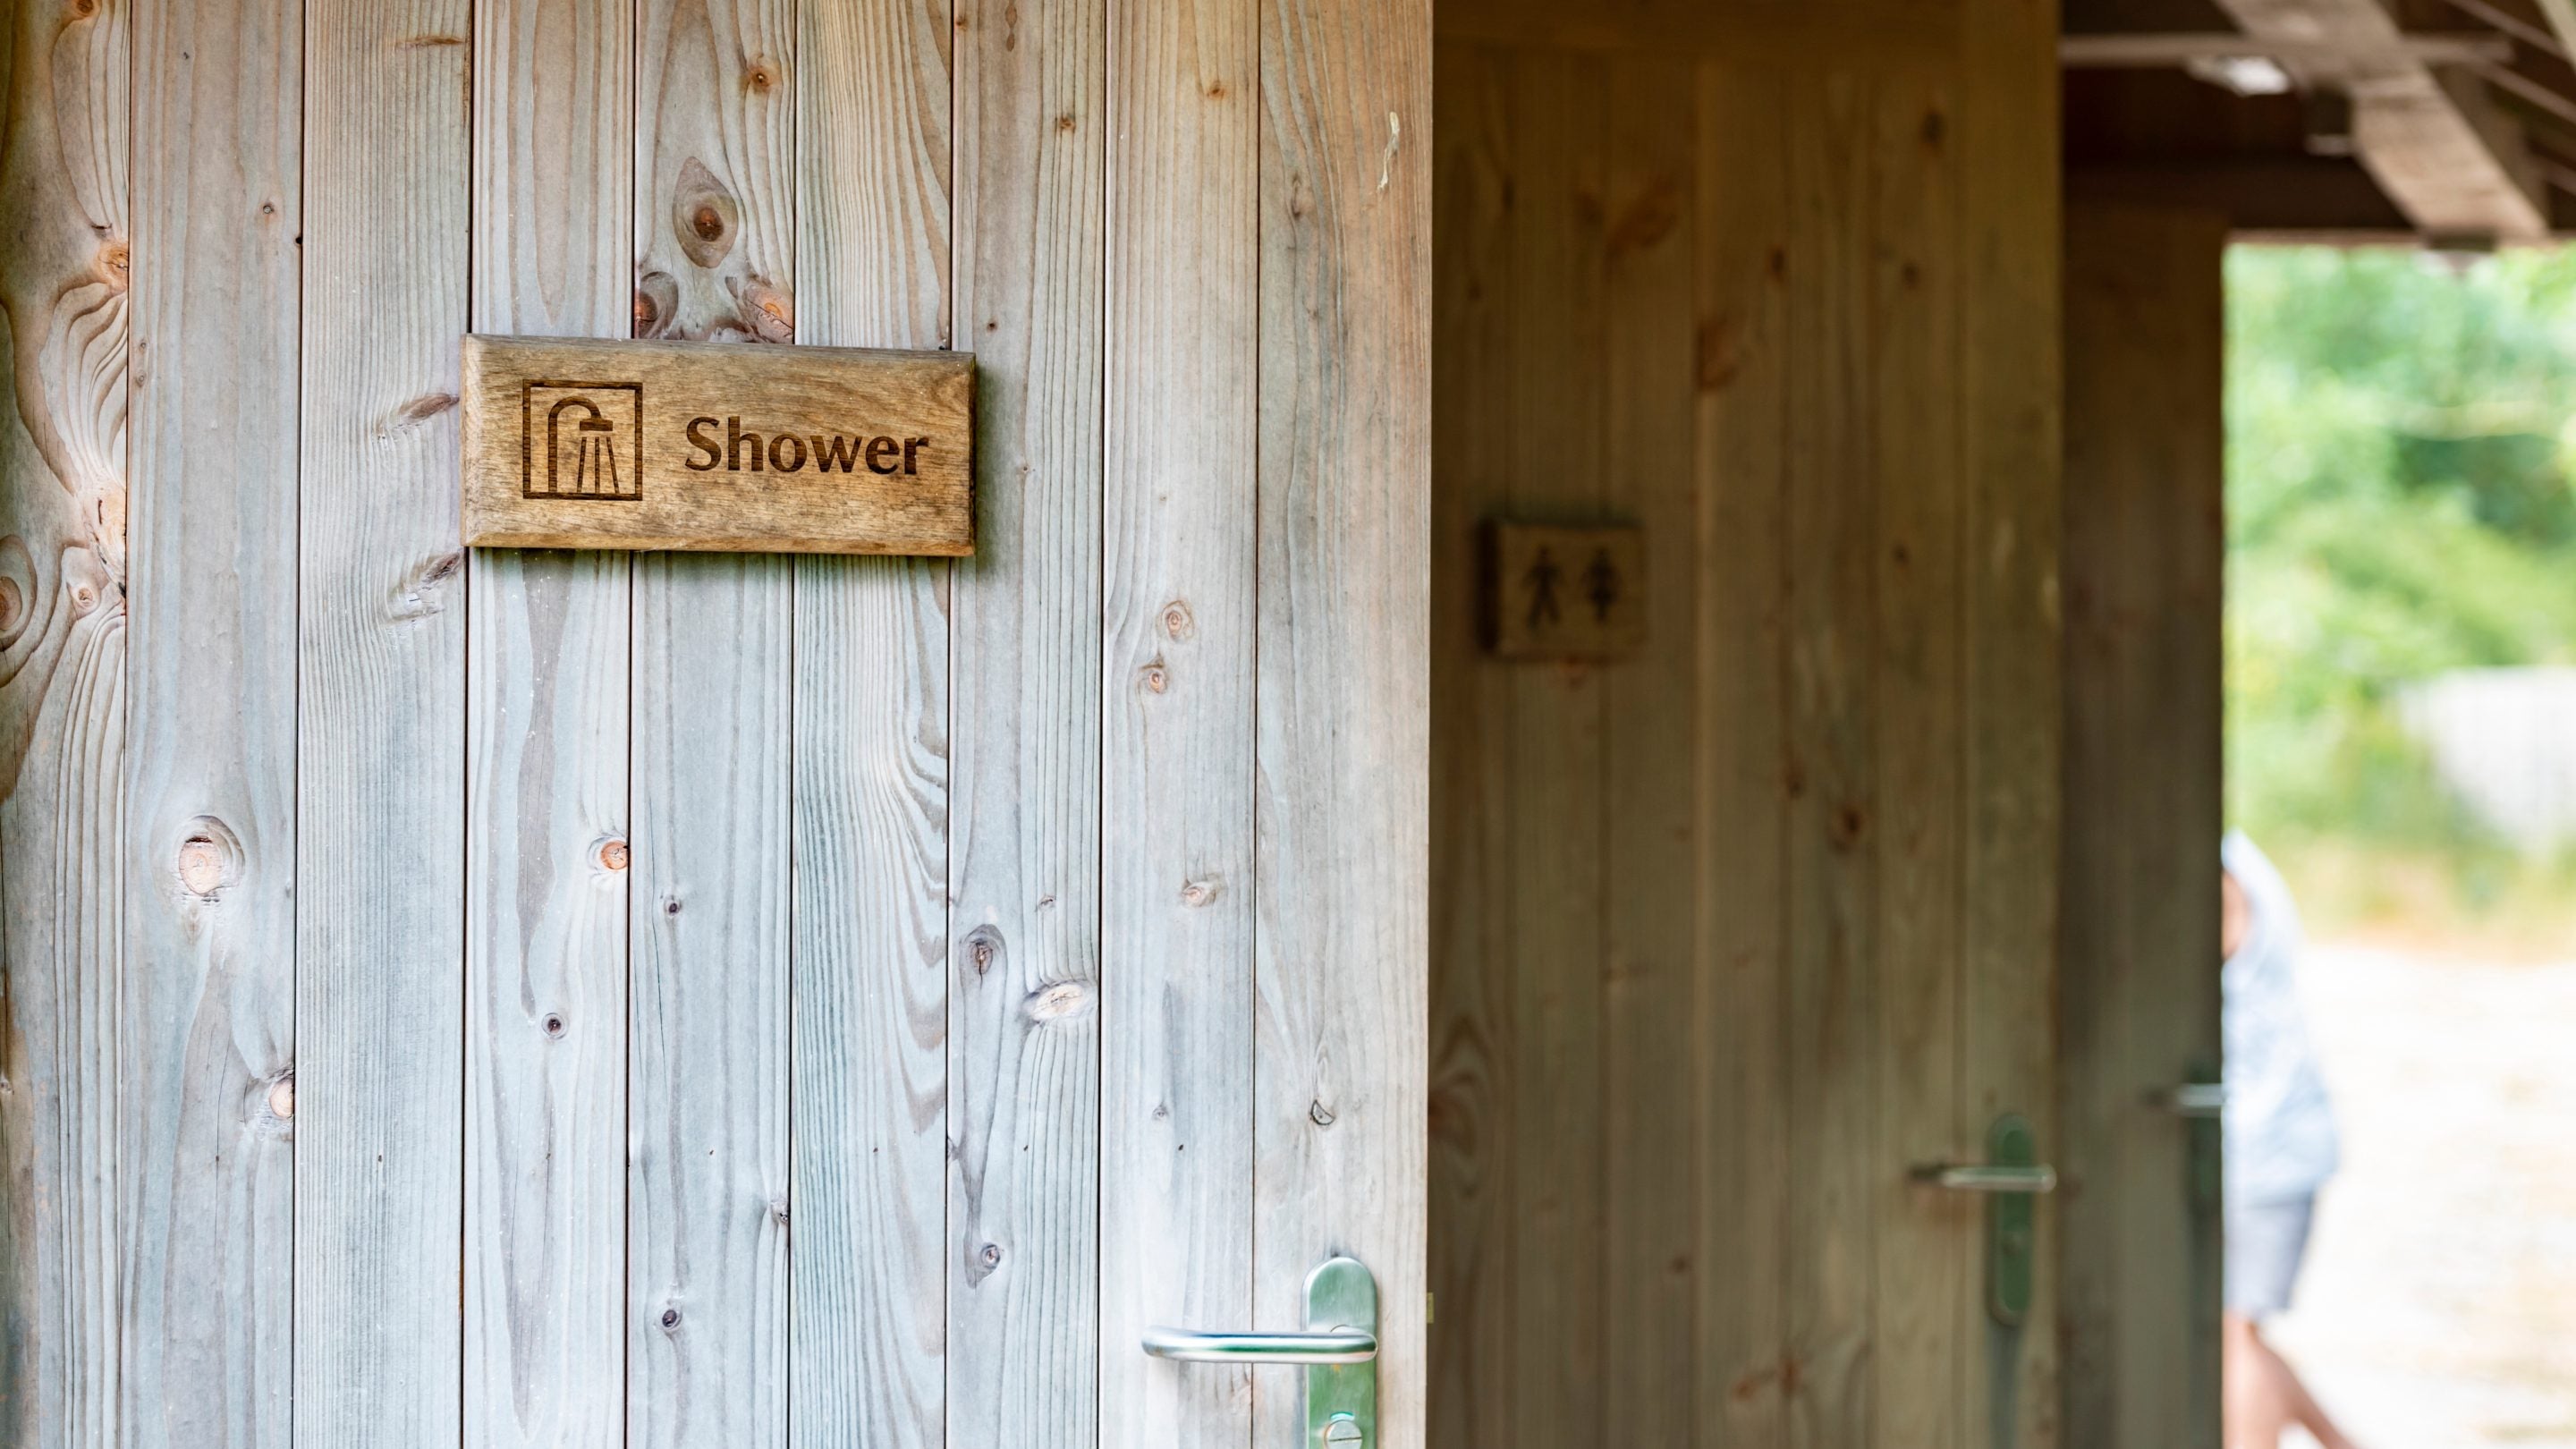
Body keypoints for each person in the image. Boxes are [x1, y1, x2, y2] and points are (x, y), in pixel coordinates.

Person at [2221, 833, 2363, 1449]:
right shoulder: (2243, 856)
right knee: (2236, 1333)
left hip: (2262, 1145)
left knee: (2232, 1338)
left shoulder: (2222, 875)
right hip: (2275, 1139)